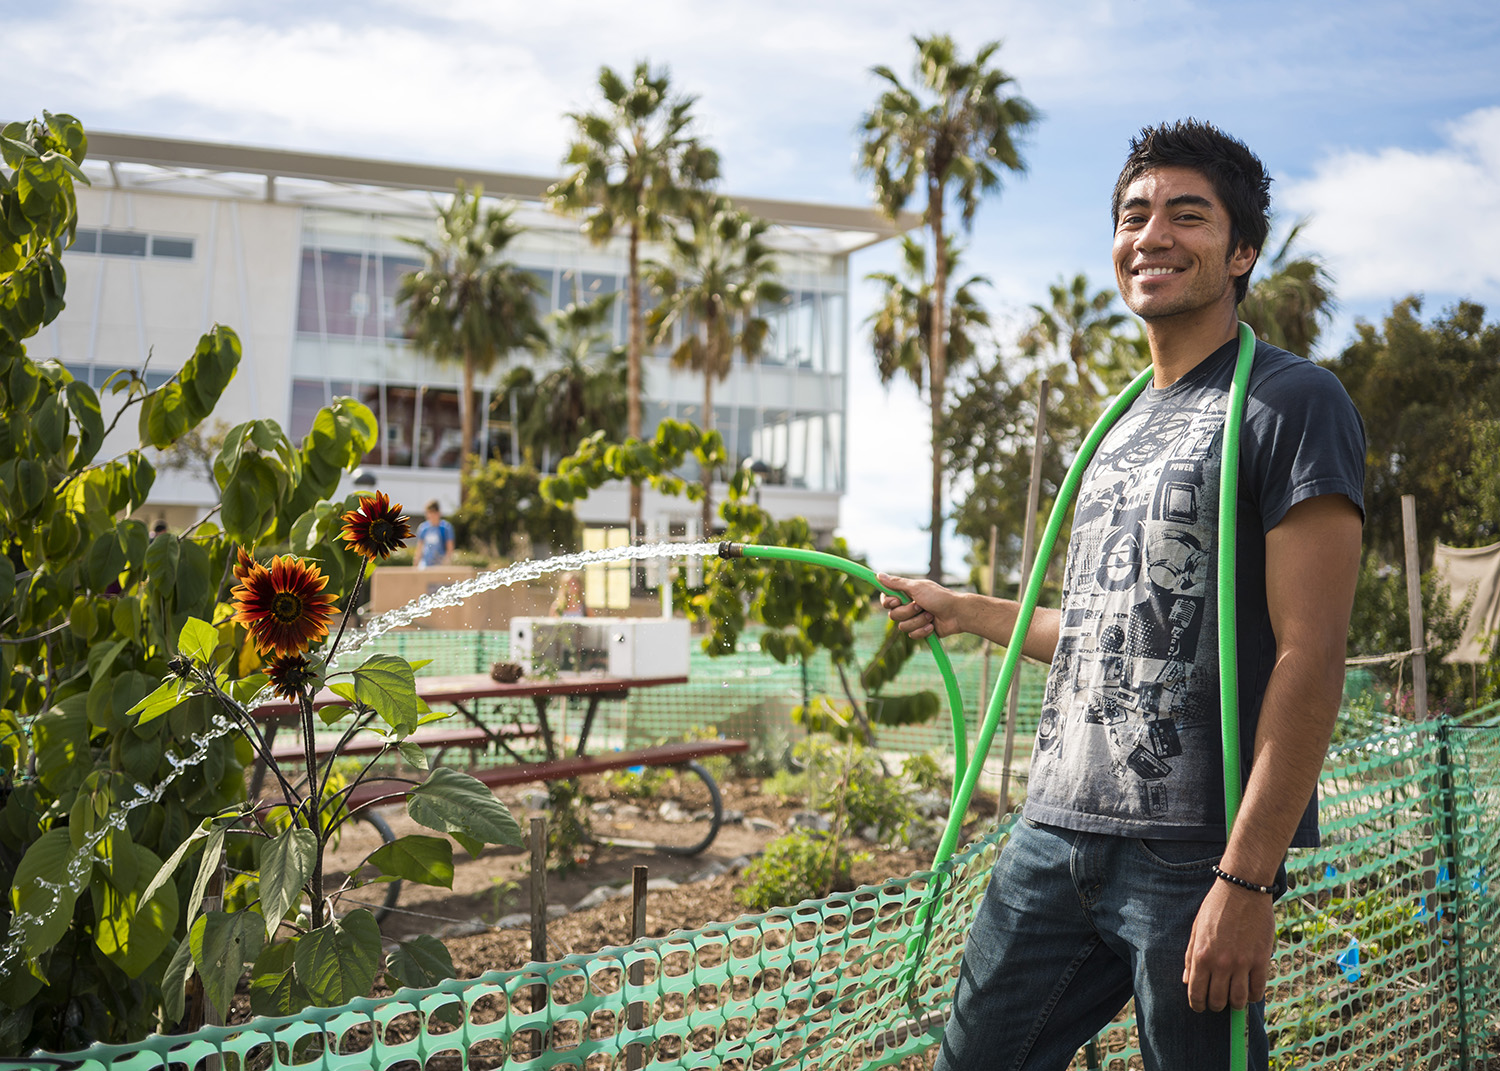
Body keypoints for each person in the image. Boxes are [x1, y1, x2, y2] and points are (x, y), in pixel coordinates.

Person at [879, 120, 1365, 1071]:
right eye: (1134, 214)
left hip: (1190, 853)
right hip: (1053, 830)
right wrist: (968, 608)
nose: (1153, 234)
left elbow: (1311, 653)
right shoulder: (1118, 424)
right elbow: (1118, 635)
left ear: (1242, 251)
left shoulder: (1291, 402)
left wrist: (1247, 879)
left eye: (1189, 215)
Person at [416, 500, 454, 569]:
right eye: (429, 513)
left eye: (433, 513)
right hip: (425, 564)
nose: (431, 516)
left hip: (440, 564)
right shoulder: (423, 528)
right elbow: (419, 548)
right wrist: (416, 563)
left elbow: (450, 548)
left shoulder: (445, 528)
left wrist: (446, 563)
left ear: (438, 513)